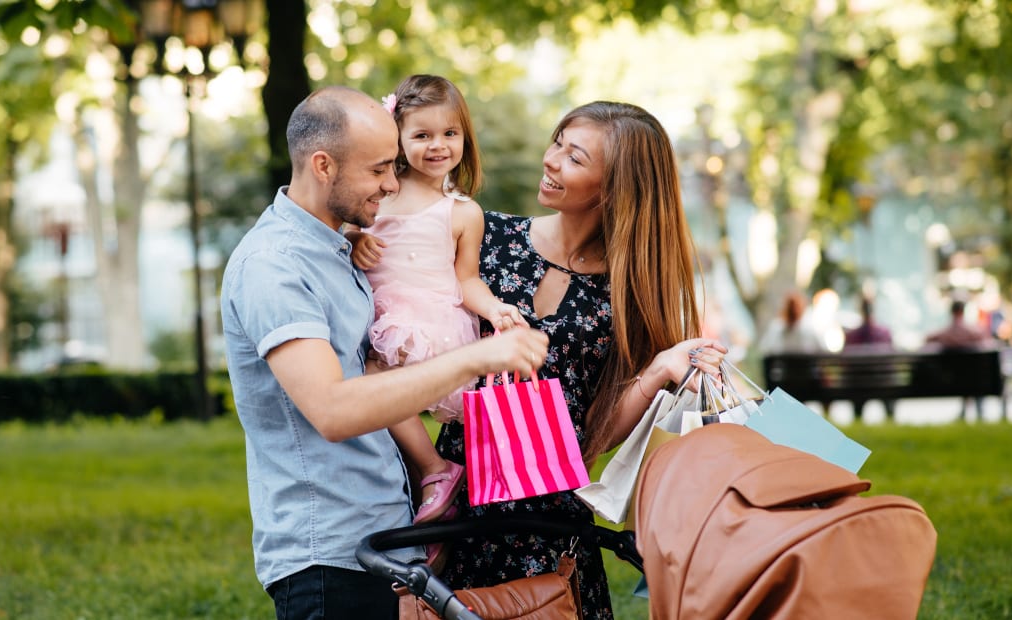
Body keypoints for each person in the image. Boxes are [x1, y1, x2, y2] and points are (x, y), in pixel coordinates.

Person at [219, 85, 549, 620]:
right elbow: (333, 409)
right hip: (329, 560)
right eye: (378, 170)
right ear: (323, 165)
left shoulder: (338, 245)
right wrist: (475, 359)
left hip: (381, 543)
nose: (392, 184)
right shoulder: (275, 266)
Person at [431, 101, 728, 620]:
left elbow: (592, 437)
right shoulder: (486, 235)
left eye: (574, 157)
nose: (550, 160)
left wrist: (658, 370)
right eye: (557, 142)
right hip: (454, 497)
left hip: (550, 524)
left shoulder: (627, 292)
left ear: (613, 188)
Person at [347, 75, 527, 530]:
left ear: (465, 136)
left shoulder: (463, 211)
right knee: (377, 388)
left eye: (450, 134)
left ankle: (434, 470)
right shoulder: (379, 196)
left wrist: (493, 309)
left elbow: (465, 279)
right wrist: (353, 239)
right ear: (398, 138)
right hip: (380, 314)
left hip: (428, 321)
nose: (437, 146)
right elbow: (338, 228)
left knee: (375, 375)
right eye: (421, 135)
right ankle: (422, 482)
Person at [924, 299, 995, 420]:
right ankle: (979, 412)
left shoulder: (944, 333)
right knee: (973, 375)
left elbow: (927, 339)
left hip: (952, 380)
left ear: (951, 312)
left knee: (965, 375)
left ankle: (964, 412)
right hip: (976, 381)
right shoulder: (974, 332)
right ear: (963, 311)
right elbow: (988, 342)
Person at [759, 290, 825, 354]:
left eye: (795, 308)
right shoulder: (776, 328)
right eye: (791, 308)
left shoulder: (809, 328)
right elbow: (765, 349)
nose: (793, 311)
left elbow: (821, 351)